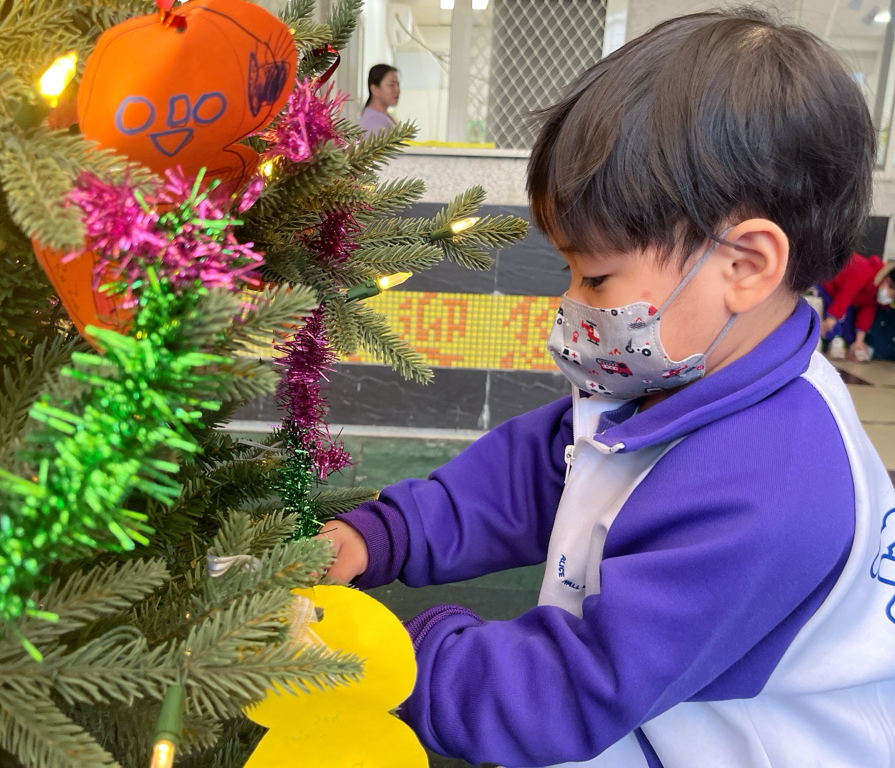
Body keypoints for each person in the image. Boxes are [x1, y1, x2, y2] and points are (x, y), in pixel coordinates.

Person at [318, 9, 895, 768]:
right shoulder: (683, 381)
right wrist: (383, 534)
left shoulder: (773, 488)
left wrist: (388, 654)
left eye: (595, 276)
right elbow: (536, 475)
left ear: (746, 265)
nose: (571, 303)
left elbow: (569, 690)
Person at [816, 254, 895, 360]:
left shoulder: (874, 293)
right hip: (828, 287)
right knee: (835, 325)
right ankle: (833, 341)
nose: (888, 296)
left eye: (893, 297)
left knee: (850, 333)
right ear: (886, 278)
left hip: (844, 300)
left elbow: (867, 313)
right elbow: (846, 295)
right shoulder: (864, 271)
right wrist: (831, 319)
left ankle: (846, 345)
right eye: (891, 292)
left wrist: (859, 341)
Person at [358, 64, 399, 136]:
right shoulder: (371, 122)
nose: (397, 90)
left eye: (398, 85)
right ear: (375, 89)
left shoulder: (384, 116)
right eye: (391, 85)